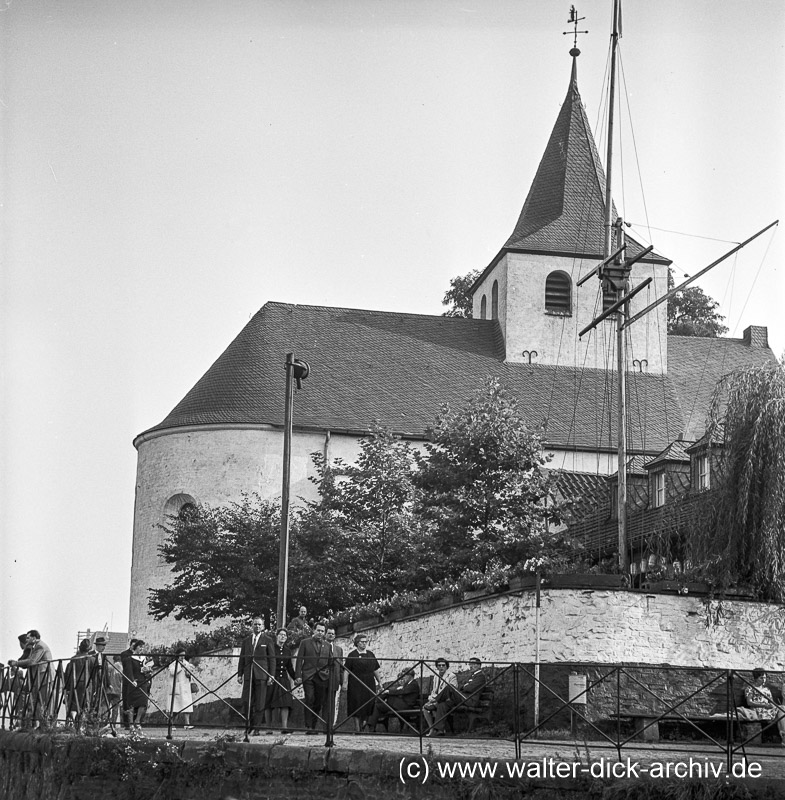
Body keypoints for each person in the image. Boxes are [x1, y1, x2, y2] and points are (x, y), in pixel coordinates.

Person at [430, 657, 487, 737]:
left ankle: (435, 701)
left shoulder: (480, 676)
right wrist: (465, 687)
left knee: (450, 687)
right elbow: (464, 687)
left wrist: (465, 687)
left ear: (479, 666)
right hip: (464, 698)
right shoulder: (472, 676)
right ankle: (440, 730)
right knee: (443, 704)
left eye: (473, 664)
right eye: (470, 664)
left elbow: (470, 688)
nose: (471, 666)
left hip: (470, 700)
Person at [9, 631, 53, 729]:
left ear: (34, 638)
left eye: (28, 638)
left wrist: (16, 663)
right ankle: (40, 725)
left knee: (43, 701)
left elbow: (32, 661)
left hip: (44, 676)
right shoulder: (36, 646)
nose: (27, 640)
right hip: (40, 676)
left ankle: (46, 725)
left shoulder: (40, 646)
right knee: (40, 700)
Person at [237, 618, 274, 734]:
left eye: (259, 624)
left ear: (263, 626)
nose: (257, 626)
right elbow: (242, 658)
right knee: (247, 701)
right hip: (249, 674)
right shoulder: (246, 641)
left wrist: (271, 675)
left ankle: (257, 727)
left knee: (260, 702)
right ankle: (248, 725)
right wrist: (240, 674)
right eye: (255, 624)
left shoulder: (267, 640)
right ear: (252, 626)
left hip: (261, 675)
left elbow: (272, 659)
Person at [295, 622, 332, 733]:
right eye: (318, 630)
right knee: (309, 698)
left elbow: (330, 661)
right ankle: (309, 726)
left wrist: (328, 673)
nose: (320, 633)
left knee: (318, 702)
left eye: (322, 631)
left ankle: (314, 725)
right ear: (314, 630)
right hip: (308, 675)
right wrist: (298, 676)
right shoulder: (304, 643)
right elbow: (299, 659)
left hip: (322, 677)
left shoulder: (328, 645)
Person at [344, 634, 381, 733]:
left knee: (369, 702)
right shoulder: (352, 655)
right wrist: (345, 682)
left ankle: (365, 723)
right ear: (357, 643)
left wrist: (380, 682)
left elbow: (375, 669)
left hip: (369, 681)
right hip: (355, 682)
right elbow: (346, 670)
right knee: (356, 703)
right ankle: (357, 727)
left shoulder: (370, 654)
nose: (364, 644)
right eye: (362, 642)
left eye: (366, 642)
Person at [367, 667, 420, 732]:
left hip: (406, 705)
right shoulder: (407, 684)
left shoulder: (413, 684)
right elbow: (400, 691)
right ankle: (371, 726)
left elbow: (403, 692)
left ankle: (377, 699)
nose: (403, 677)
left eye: (405, 676)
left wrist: (388, 691)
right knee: (378, 706)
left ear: (410, 676)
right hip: (398, 705)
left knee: (389, 696)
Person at [266, 628, 296, 732]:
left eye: (285, 635)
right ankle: (268, 728)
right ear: (277, 636)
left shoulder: (288, 651)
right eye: (281, 635)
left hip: (283, 679)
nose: (283, 637)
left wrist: (296, 678)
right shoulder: (271, 648)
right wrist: (269, 676)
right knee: (269, 702)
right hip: (272, 677)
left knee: (285, 702)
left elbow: (289, 667)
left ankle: (284, 727)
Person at [744, 668, 785, 744]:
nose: (764, 680)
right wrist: (764, 705)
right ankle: (784, 738)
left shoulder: (767, 689)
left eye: (765, 678)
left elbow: (771, 701)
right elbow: (749, 702)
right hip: (758, 710)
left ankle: (783, 738)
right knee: (782, 712)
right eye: (761, 678)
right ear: (756, 678)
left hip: (769, 710)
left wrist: (773, 705)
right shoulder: (750, 688)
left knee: (782, 710)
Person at [422, 657, 458, 733]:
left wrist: (436, 700)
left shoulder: (451, 676)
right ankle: (431, 729)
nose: (441, 667)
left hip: (448, 700)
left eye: (443, 665)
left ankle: (439, 729)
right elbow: (434, 690)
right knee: (425, 708)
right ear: (437, 667)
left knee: (439, 706)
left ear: (446, 666)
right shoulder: (436, 676)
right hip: (436, 699)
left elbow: (452, 690)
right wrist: (431, 698)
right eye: (439, 665)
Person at [64, 639, 92, 724]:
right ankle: (82, 724)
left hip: (75, 684)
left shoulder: (73, 659)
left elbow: (68, 673)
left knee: (74, 704)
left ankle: (72, 721)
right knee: (85, 704)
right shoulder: (92, 659)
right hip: (87, 684)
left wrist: (67, 687)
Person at [126, 640, 152, 731]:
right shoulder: (131, 658)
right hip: (135, 682)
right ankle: (130, 723)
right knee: (132, 703)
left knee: (143, 702)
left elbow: (149, 670)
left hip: (143, 681)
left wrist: (147, 671)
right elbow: (129, 671)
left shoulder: (144, 658)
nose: (141, 648)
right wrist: (132, 680)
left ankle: (137, 721)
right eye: (140, 646)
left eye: (142, 647)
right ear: (136, 647)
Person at [168, 648, 197, 729]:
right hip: (177, 688)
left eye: (183, 655)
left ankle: (187, 724)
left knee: (186, 705)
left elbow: (189, 674)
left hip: (185, 687)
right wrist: (180, 667)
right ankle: (172, 724)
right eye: (181, 655)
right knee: (174, 707)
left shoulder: (186, 663)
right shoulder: (173, 664)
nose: (182, 657)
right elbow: (172, 672)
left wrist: (189, 673)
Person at [325, 626, 344, 726]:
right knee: (323, 703)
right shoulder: (321, 646)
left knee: (331, 703)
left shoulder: (339, 650)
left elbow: (341, 667)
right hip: (322, 679)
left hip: (334, 680)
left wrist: (342, 681)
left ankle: (329, 726)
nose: (331, 635)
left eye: (333, 633)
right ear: (325, 634)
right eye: (329, 633)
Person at [119, 639, 138, 729]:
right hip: (127, 680)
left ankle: (135, 721)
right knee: (126, 700)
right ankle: (127, 723)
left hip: (136, 679)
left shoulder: (139, 655)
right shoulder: (125, 654)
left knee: (136, 700)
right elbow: (125, 664)